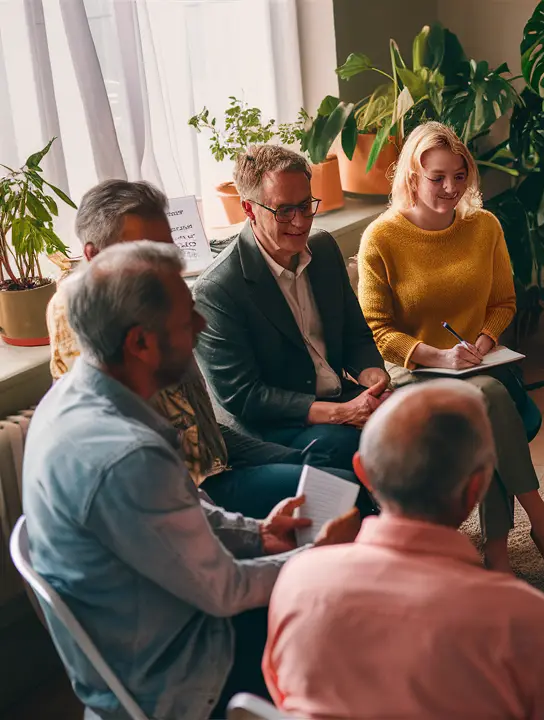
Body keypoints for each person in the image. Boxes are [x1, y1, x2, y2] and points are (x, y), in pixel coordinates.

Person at [22, 242, 359, 720]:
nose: (201, 328)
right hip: (181, 667)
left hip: (149, 622)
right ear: (139, 343)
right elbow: (225, 591)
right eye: (186, 321)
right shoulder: (126, 456)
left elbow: (180, 513)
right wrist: (315, 558)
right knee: (348, 614)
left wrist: (257, 533)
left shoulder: (75, 394)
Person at [264, 380, 544, 720]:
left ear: (363, 473)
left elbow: (281, 693)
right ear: (476, 489)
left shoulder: (296, 578)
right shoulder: (520, 613)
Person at [45, 179, 351, 519]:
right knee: (339, 489)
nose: (160, 265)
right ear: (93, 256)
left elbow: (191, 410)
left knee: (330, 462)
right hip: (192, 479)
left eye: (165, 250)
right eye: (143, 252)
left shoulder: (153, 293)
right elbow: (140, 441)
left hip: (214, 445)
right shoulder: (76, 308)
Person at [357, 121, 544, 574]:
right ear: (411, 179)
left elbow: (503, 303)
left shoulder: (484, 227)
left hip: (479, 365)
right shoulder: (381, 239)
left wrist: (482, 342)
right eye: (437, 178)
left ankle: (498, 553)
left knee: (486, 402)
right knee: (489, 400)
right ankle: (537, 523)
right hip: (414, 372)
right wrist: (437, 356)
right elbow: (378, 331)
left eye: (459, 177)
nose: (450, 188)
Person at [194, 144, 391, 474]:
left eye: (305, 205)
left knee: (419, 417)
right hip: (278, 426)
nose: (300, 222)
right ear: (248, 208)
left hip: (344, 397)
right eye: (283, 211)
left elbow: (356, 336)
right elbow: (244, 398)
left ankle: (415, 523)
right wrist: (341, 413)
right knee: (355, 445)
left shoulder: (323, 249)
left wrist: (373, 378)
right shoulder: (217, 290)